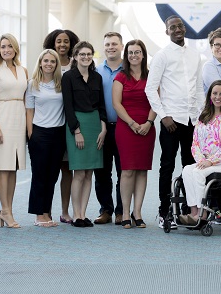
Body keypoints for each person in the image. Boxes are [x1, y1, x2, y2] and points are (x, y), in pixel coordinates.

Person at [145, 15, 204, 229]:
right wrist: (164, 115)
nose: (177, 29)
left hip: (192, 120)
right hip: (171, 120)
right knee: (167, 166)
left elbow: (198, 88)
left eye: (180, 26)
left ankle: (190, 211)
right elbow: (150, 88)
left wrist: (201, 115)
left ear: (185, 29)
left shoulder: (195, 55)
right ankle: (164, 212)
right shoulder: (161, 56)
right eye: (172, 27)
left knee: (191, 166)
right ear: (167, 31)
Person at [180, 80, 221, 225]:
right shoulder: (204, 117)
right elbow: (195, 143)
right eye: (214, 93)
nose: (217, 97)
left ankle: (202, 213)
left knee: (197, 173)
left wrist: (210, 161)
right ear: (210, 95)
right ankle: (193, 211)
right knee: (187, 170)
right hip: (205, 162)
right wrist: (201, 160)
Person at [62, 41, 107, 228]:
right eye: (82, 54)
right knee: (79, 172)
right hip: (77, 125)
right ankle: (76, 214)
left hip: (95, 125)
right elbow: (68, 107)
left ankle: (83, 213)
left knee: (90, 172)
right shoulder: (68, 77)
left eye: (89, 54)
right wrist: (76, 131)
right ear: (75, 56)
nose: (86, 57)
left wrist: (103, 129)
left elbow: (102, 105)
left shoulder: (97, 77)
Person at [113, 39, 157, 229]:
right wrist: (131, 123)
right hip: (126, 127)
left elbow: (157, 102)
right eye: (130, 52)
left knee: (141, 170)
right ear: (126, 55)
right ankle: (124, 212)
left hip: (147, 127)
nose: (134, 55)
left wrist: (149, 122)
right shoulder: (121, 77)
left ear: (143, 54)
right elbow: (116, 103)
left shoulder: (152, 76)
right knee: (128, 170)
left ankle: (137, 212)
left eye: (137, 52)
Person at [0, 33, 28, 228]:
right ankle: (5, 211)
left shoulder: (23, 70)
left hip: (19, 118)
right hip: (2, 118)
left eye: (9, 46)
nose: (6, 50)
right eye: (3, 47)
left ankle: (7, 210)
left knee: (13, 168)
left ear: (15, 49)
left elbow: (28, 99)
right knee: (4, 167)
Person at [43, 28, 80, 224]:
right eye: (59, 41)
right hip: (51, 123)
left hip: (71, 123)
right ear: (53, 43)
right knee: (50, 170)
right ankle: (45, 211)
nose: (62, 45)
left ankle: (65, 212)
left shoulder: (76, 65)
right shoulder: (47, 63)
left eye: (66, 41)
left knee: (67, 170)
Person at [26, 49, 66, 227]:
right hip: (39, 133)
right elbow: (29, 111)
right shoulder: (32, 84)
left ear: (56, 65)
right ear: (40, 63)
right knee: (39, 175)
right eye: (46, 61)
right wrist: (31, 134)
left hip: (58, 133)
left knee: (53, 175)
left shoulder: (61, 83)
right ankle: (38, 215)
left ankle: (46, 211)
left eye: (52, 61)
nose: (49, 64)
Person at [94, 32, 124, 225]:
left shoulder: (129, 70)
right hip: (101, 128)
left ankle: (121, 211)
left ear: (121, 46)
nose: (111, 47)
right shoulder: (96, 71)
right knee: (102, 172)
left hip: (123, 128)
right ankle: (106, 209)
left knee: (124, 172)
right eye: (107, 44)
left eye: (114, 44)